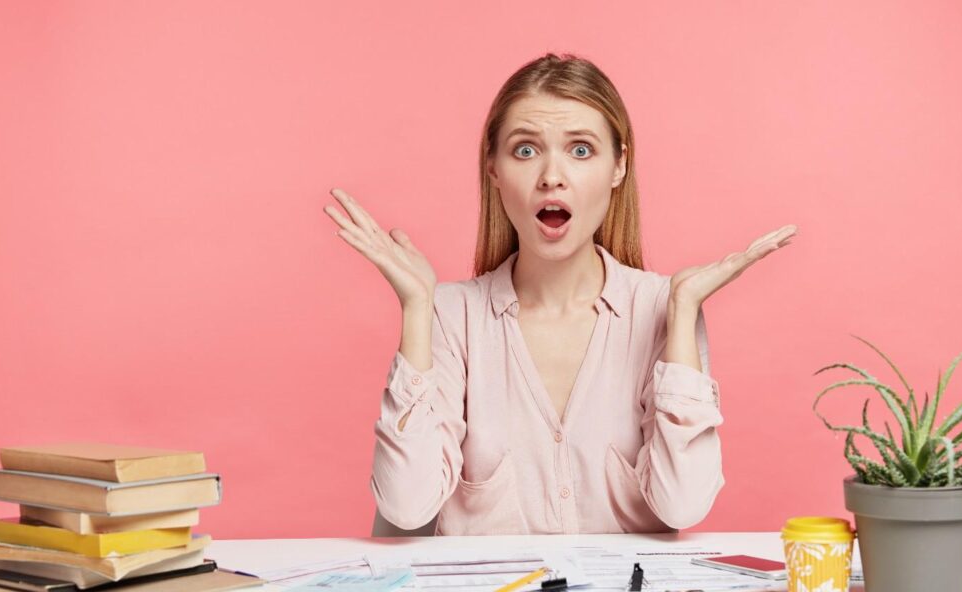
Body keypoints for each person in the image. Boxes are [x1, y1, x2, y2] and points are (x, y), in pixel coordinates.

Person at [323, 52, 797, 535]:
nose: (552, 175)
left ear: (619, 166)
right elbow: (406, 507)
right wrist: (417, 307)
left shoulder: (663, 309)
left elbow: (683, 506)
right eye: (525, 150)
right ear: (493, 169)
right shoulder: (450, 315)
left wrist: (682, 309)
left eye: (581, 150)